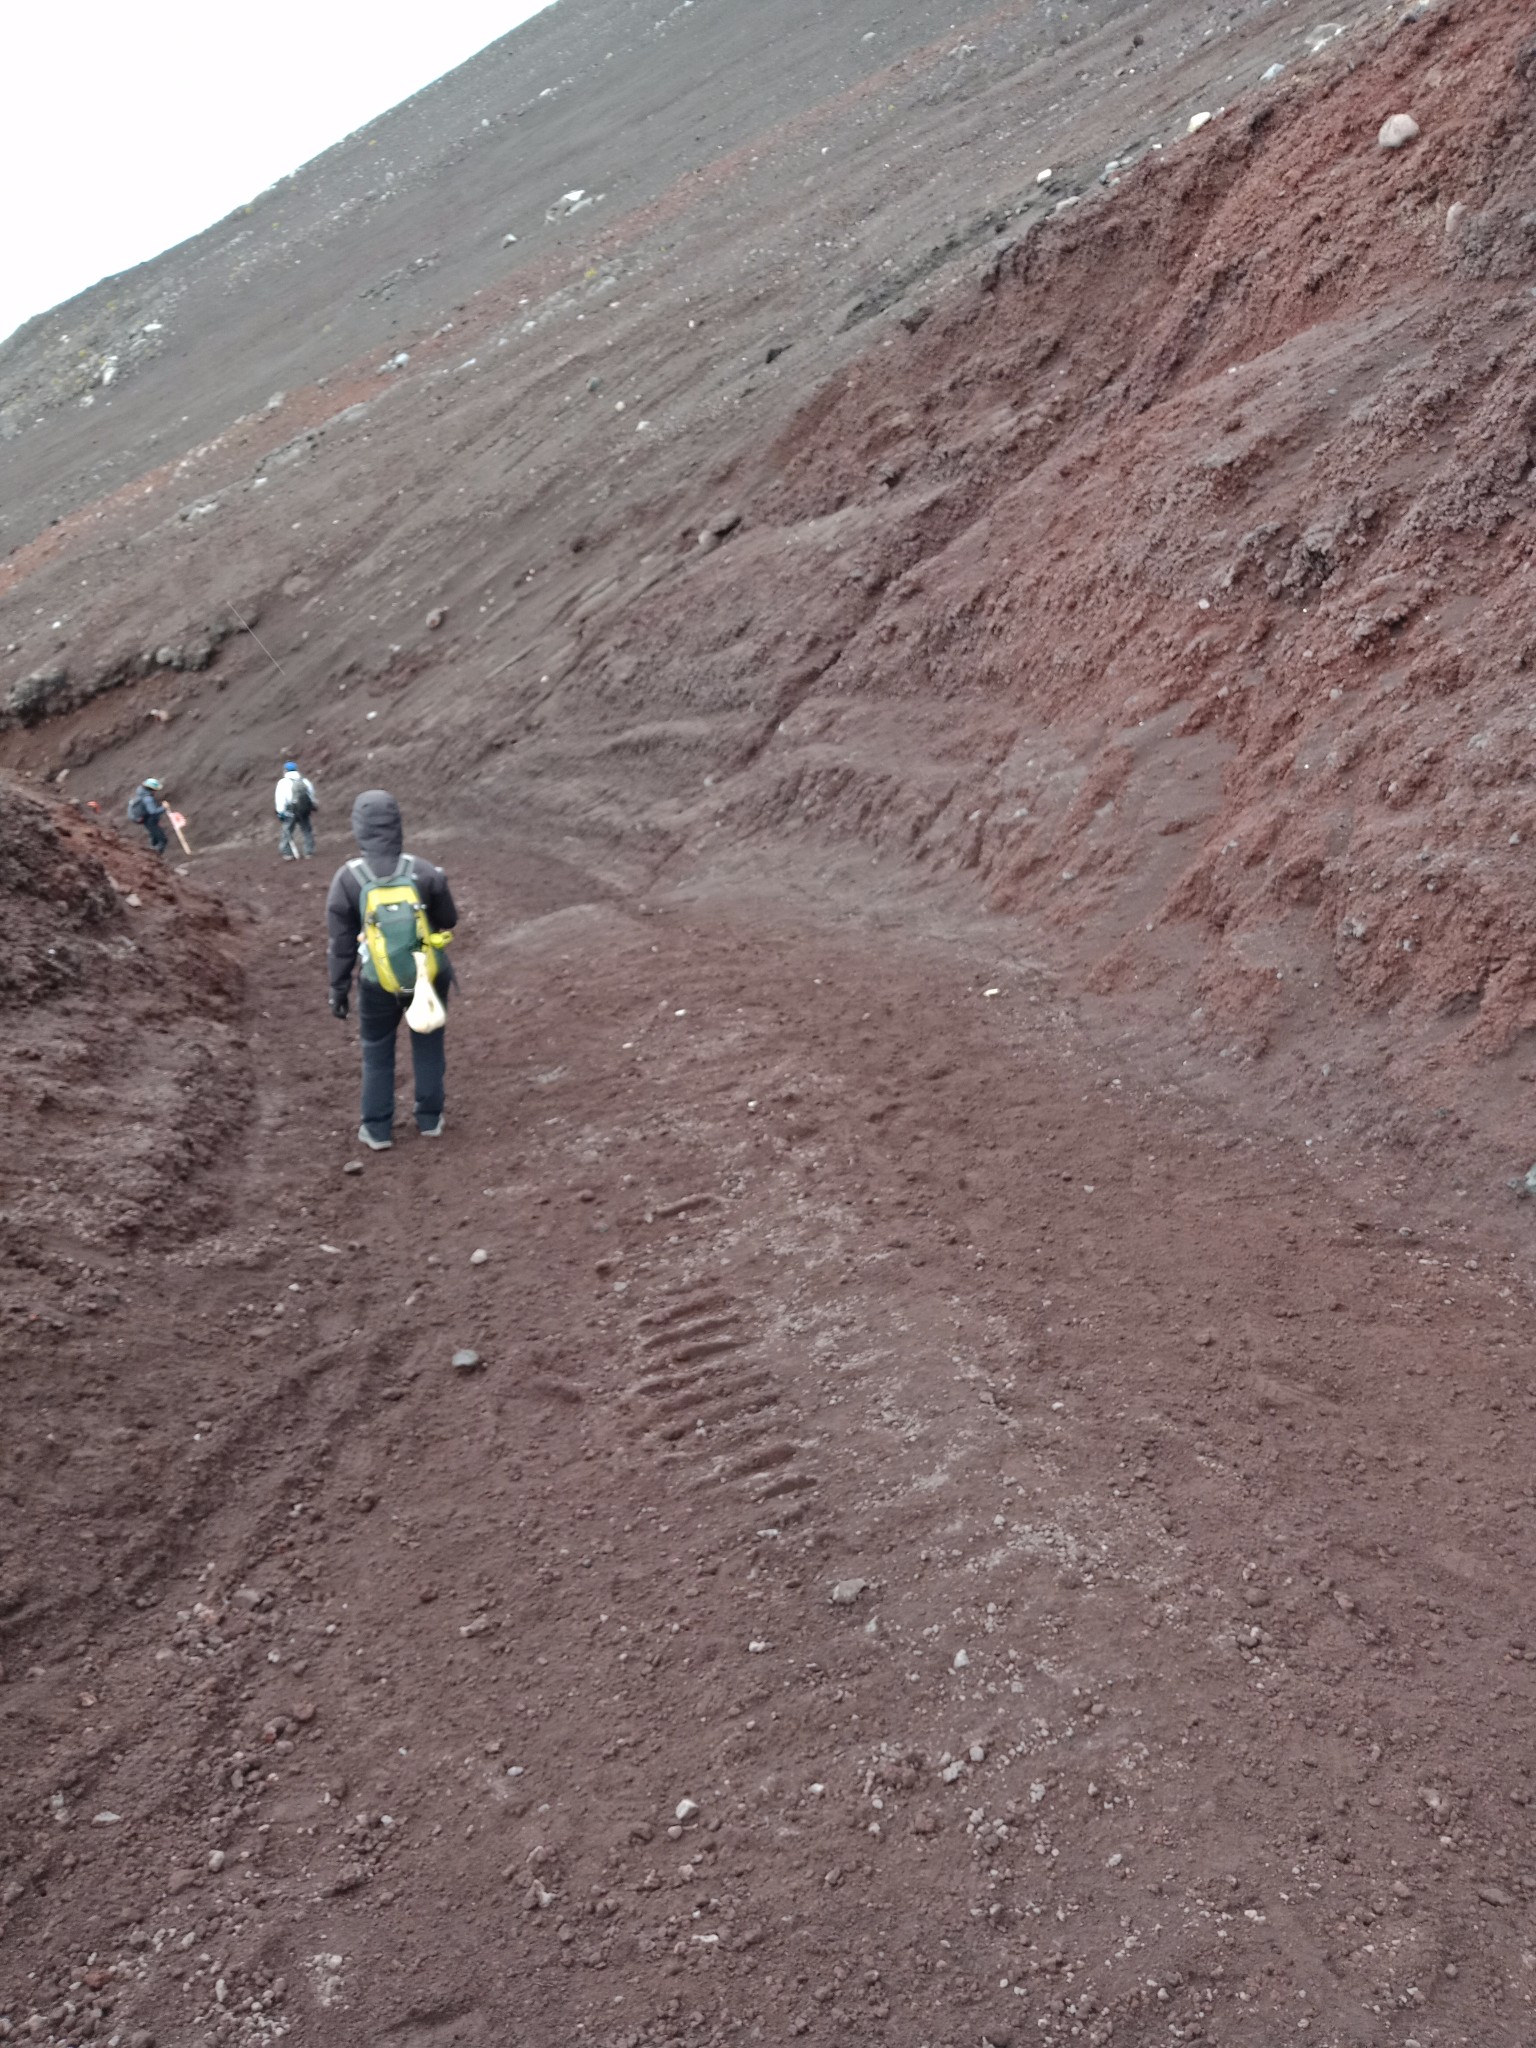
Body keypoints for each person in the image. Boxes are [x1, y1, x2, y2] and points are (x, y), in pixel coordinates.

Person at [325, 790, 458, 1150]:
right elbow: (449, 920)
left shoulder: (348, 879)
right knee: (428, 1042)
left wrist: (337, 990)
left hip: (376, 982)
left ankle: (377, 1129)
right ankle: (430, 1120)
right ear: (398, 825)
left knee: (377, 1051)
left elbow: (340, 946)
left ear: (359, 828)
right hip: (426, 973)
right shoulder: (424, 870)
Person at [275, 760, 318, 860]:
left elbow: (280, 798)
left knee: (287, 831)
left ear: (285, 770)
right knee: (307, 830)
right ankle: (309, 852)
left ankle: (287, 853)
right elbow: (311, 795)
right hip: (304, 810)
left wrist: (280, 812)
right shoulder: (305, 781)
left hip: (291, 810)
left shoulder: (283, 782)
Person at [127, 777, 169, 855]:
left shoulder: (140, 791)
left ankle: (152, 849)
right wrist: (164, 808)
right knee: (163, 840)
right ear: (152, 789)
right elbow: (153, 812)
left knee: (154, 835)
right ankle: (155, 857)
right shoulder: (148, 799)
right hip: (146, 819)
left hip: (140, 816)